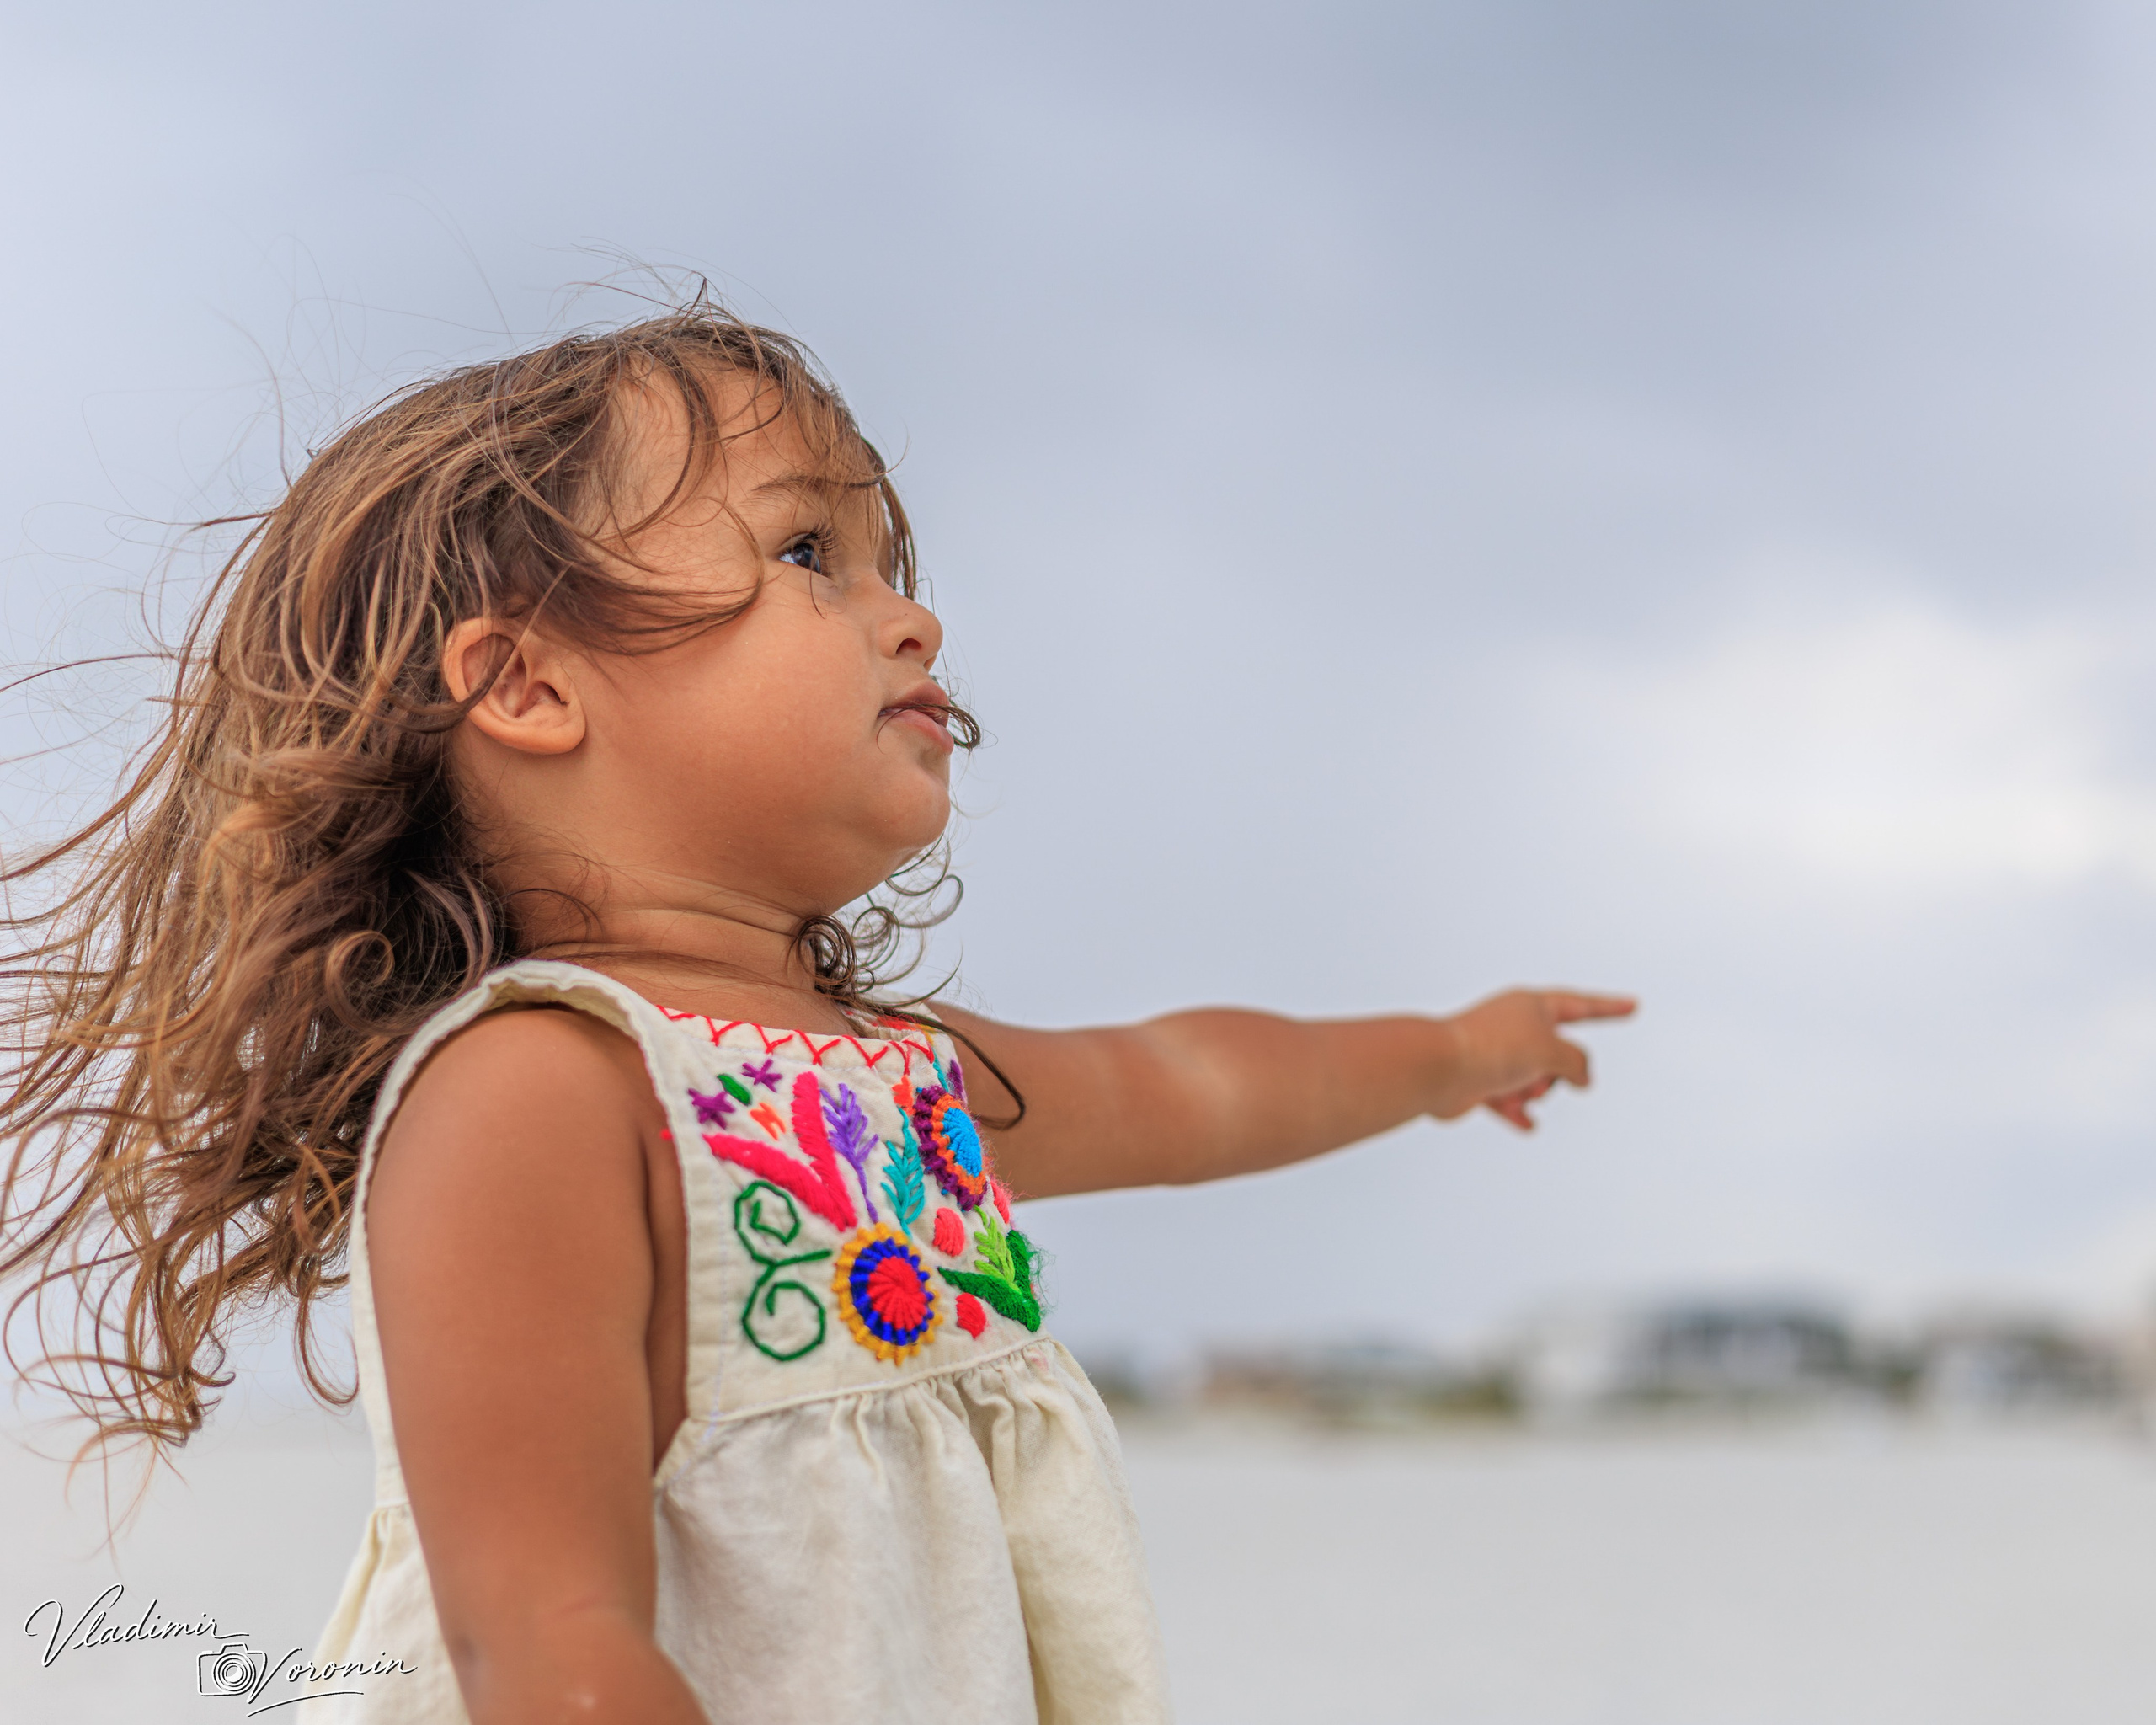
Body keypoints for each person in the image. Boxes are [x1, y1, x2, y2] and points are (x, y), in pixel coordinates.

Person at [0, 303, 1633, 1724]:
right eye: (804, 555)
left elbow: (1183, 1081)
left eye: (885, 569)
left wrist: (1445, 1049)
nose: (908, 616)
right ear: (525, 687)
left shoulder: (893, 1092)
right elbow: (542, 1642)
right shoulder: (538, 1090)